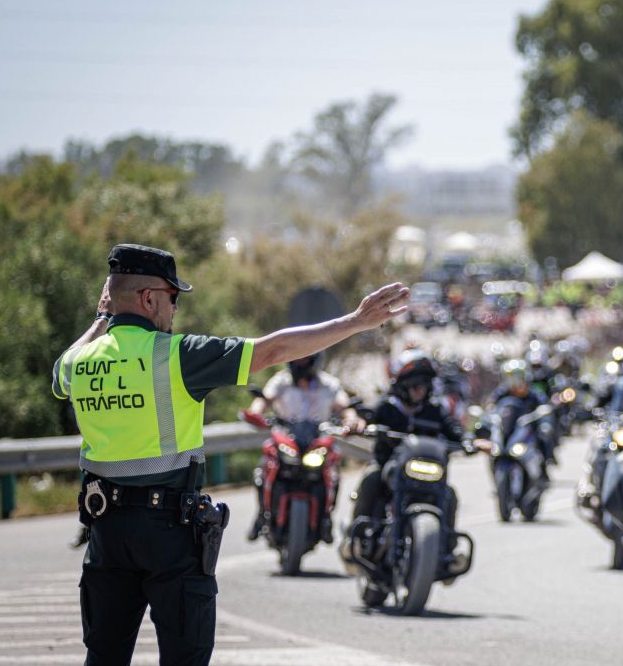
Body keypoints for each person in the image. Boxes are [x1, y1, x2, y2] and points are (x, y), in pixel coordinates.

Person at [51, 243, 408, 666]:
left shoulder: (79, 363)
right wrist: (355, 321)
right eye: (173, 298)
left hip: (106, 533)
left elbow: (61, 373)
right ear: (149, 298)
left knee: (104, 657)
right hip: (168, 533)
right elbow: (272, 350)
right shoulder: (176, 356)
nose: (175, 310)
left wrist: (101, 319)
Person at [245, 353, 365, 542]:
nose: (300, 362)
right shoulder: (282, 381)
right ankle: (262, 514)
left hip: (316, 440)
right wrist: (255, 412)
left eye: (305, 358)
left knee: (333, 471)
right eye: (297, 358)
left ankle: (326, 518)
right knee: (263, 469)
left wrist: (352, 420)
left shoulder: (328, 384)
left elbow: (345, 407)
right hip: (287, 439)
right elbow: (264, 400)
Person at [348, 350, 469, 526]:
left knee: (449, 494)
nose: (420, 390)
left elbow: (453, 429)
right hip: (389, 467)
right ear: (403, 385)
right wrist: (357, 422)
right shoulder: (388, 407)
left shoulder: (434, 410)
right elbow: (367, 417)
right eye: (415, 384)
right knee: (371, 478)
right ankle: (358, 533)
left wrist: (470, 441)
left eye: (425, 384)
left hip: (427, 467)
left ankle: (447, 544)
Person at [489, 359, 555, 466]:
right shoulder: (502, 393)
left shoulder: (534, 394)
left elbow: (545, 408)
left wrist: (544, 423)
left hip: (528, 428)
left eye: (518, 377)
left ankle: (546, 461)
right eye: (510, 378)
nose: (515, 382)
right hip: (508, 428)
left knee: (543, 437)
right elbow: (491, 407)